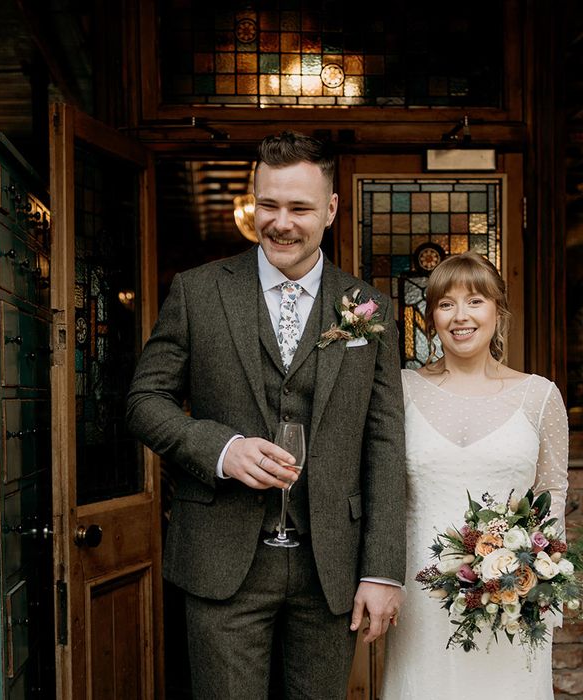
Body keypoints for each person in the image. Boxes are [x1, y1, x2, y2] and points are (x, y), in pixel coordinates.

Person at [127, 130, 406, 699]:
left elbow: (383, 442)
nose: (281, 222)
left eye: (299, 207)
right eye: (269, 204)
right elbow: (143, 402)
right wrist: (221, 450)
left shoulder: (369, 308)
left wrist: (381, 570)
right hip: (222, 560)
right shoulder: (198, 292)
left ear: (330, 209)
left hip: (330, 563)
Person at [381, 251, 568, 699]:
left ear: (498, 312)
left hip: (511, 594)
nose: (460, 316)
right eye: (445, 304)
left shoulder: (540, 396)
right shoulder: (401, 390)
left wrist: (542, 585)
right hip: (419, 595)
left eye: (475, 301)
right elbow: (380, 490)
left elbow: (551, 494)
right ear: (431, 318)